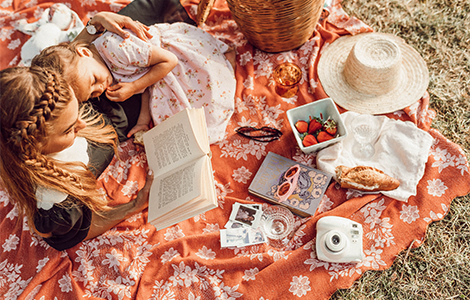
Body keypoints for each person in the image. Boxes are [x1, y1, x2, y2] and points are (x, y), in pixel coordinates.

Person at [0, 66, 154, 251]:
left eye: (77, 109)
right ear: (34, 147)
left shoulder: (47, 99)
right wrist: (135, 205)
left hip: (120, 108)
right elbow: (80, 230)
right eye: (68, 129)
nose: (82, 123)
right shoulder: (56, 205)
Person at [32, 21, 237, 144]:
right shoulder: (99, 69)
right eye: (93, 94)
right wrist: (141, 122)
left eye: (94, 81)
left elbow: (169, 61)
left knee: (209, 88)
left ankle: (226, 60)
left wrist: (133, 87)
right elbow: (145, 85)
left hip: (170, 56)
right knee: (177, 121)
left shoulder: (116, 48)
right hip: (155, 72)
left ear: (85, 52)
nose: (100, 88)